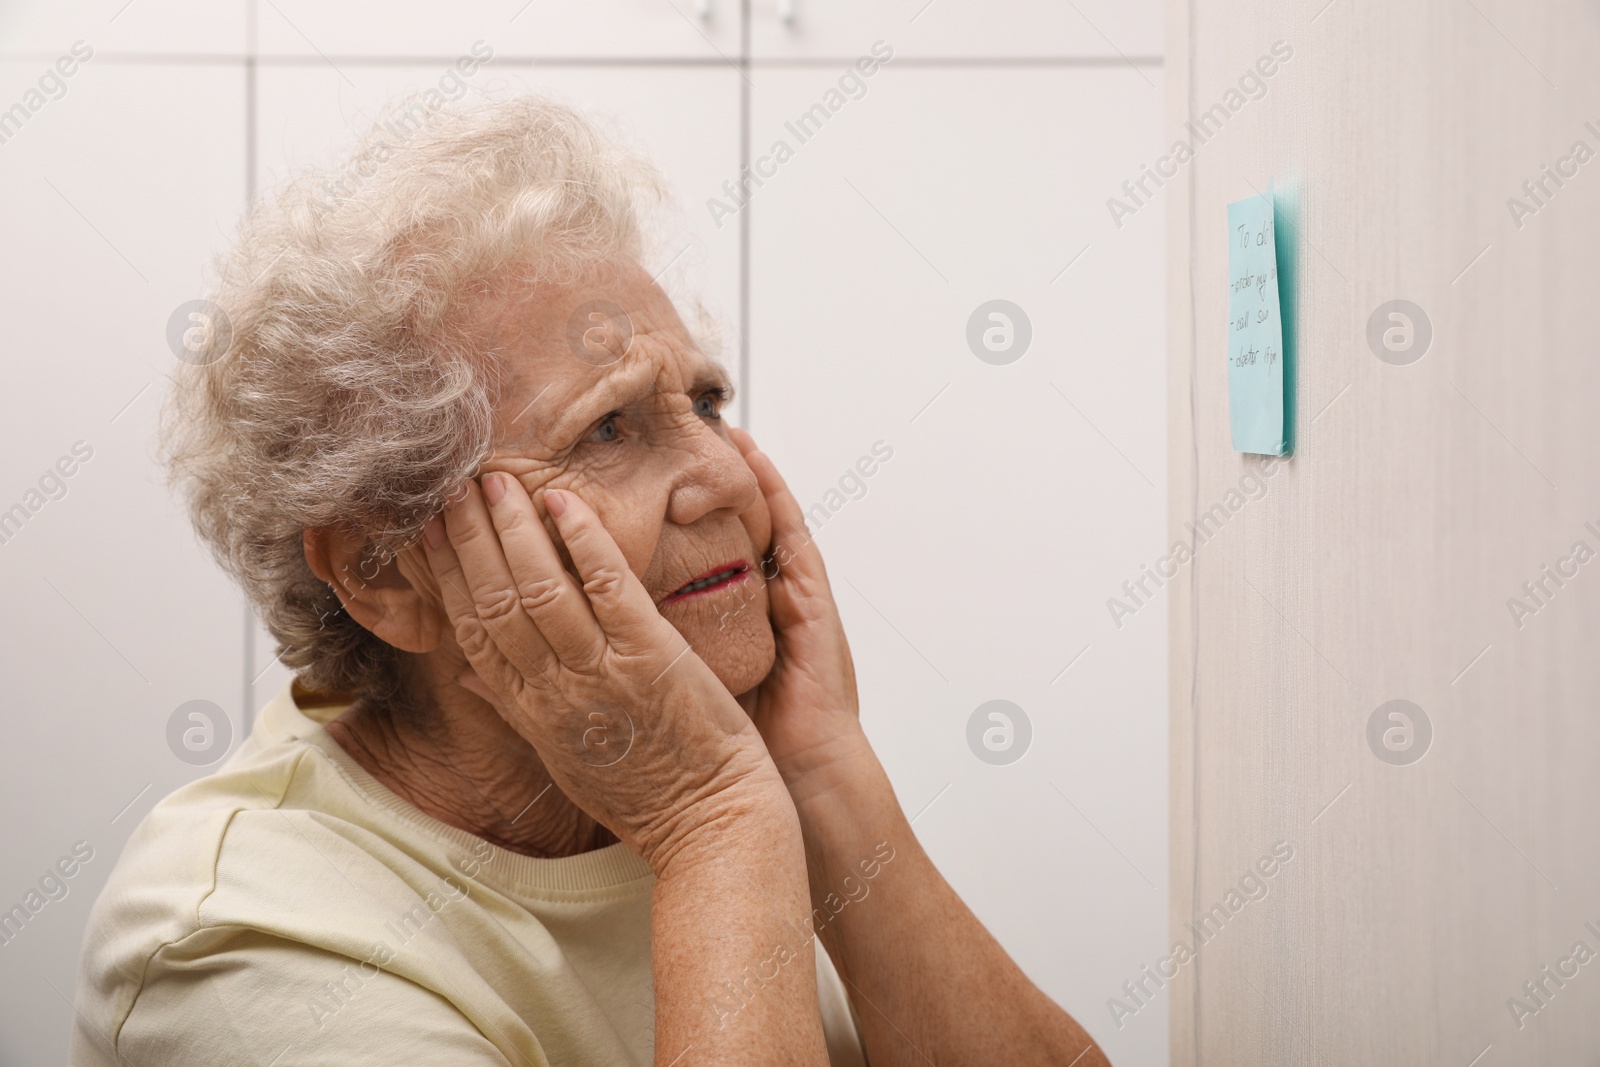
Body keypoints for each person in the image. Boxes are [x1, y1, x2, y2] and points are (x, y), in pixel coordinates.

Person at [72, 94, 1109, 1066]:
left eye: (704, 401)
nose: (723, 476)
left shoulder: (722, 770)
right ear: (382, 574)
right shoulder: (238, 938)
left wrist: (824, 778)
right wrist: (713, 820)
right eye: (607, 427)